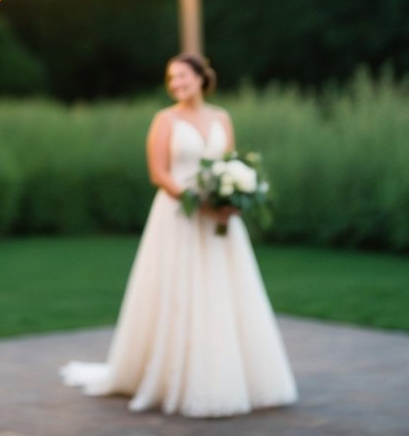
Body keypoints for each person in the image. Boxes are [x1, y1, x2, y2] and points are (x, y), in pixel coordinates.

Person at [60, 52, 298, 418]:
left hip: (218, 220)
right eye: (172, 79)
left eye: (183, 77)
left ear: (202, 77)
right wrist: (196, 201)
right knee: (179, 292)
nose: (176, 85)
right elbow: (159, 173)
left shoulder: (222, 117)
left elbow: (229, 163)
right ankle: (176, 377)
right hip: (179, 216)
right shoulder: (165, 120)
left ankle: (232, 375)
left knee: (223, 291)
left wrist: (231, 197)